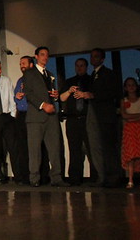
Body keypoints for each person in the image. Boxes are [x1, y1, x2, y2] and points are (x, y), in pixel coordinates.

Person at [23, 46, 69, 187]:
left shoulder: (49, 74)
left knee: (54, 148)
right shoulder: (29, 73)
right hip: (36, 117)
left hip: (51, 117)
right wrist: (43, 105)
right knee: (35, 150)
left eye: (47, 55)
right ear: (36, 56)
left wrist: (55, 96)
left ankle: (56, 177)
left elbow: (50, 92)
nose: (45, 57)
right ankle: (34, 179)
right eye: (42, 55)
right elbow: (29, 94)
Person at [76, 48, 121, 187]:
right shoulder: (92, 76)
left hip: (105, 115)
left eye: (96, 57)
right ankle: (101, 177)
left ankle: (113, 178)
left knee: (108, 147)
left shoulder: (108, 74)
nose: (93, 59)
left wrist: (92, 95)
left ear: (102, 59)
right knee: (95, 146)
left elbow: (114, 92)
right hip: (93, 113)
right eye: (91, 56)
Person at [59, 57, 94, 185]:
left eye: (82, 65)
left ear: (86, 67)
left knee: (91, 149)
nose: (79, 68)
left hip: (87, 119)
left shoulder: (91, 81)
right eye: (77, 66)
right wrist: (69, 91)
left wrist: (85, 94)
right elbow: (61, 99)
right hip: (72, 120)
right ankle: (75, 178)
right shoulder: (69, 82)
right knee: (74, 149)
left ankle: (95, 177)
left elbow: (95, 95)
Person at [13, 55, 34, 184]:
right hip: (21, 115)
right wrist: (17, 96)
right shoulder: (20, 80)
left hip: (32, 114)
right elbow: (15, 97)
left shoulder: (35, 79)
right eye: (20, 64)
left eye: (24, 63)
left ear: (31, 65)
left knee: (34, 146)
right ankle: (25, 176)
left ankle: (36, 176)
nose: (22, 66)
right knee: (22, 146)